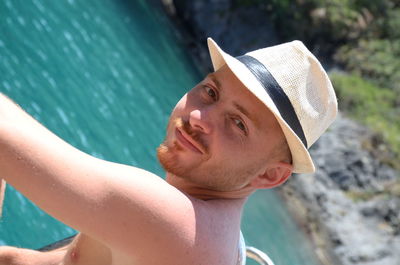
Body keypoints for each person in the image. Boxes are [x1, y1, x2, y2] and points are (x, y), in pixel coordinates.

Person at [0, 38, 337, 265]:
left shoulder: (177, 227)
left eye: (238, 124)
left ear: (269, 174)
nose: (197, 117)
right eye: (209, 92)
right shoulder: (222, 239)